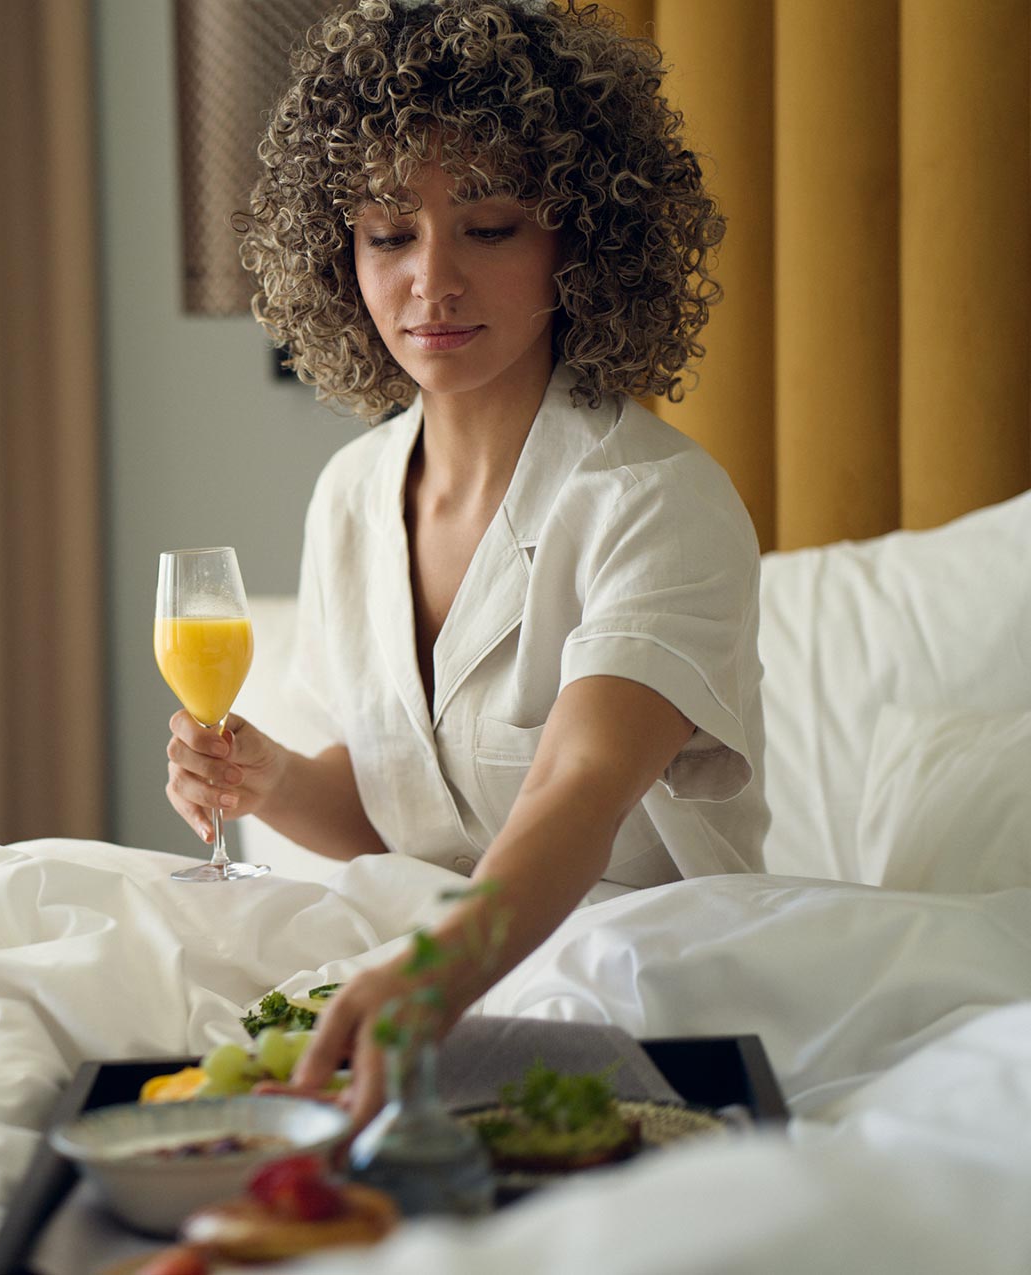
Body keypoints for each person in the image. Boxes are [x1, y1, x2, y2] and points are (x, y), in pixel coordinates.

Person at [163, 0, 765, 1117]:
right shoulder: (350, 497)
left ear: (581, 240)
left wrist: (434, 979)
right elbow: (412, 814)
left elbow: (580, 787)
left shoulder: (658, 502)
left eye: (488, 227)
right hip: (427, 975)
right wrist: (273, 781)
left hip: (645, 987)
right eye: (390, 234)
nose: (430, 283)